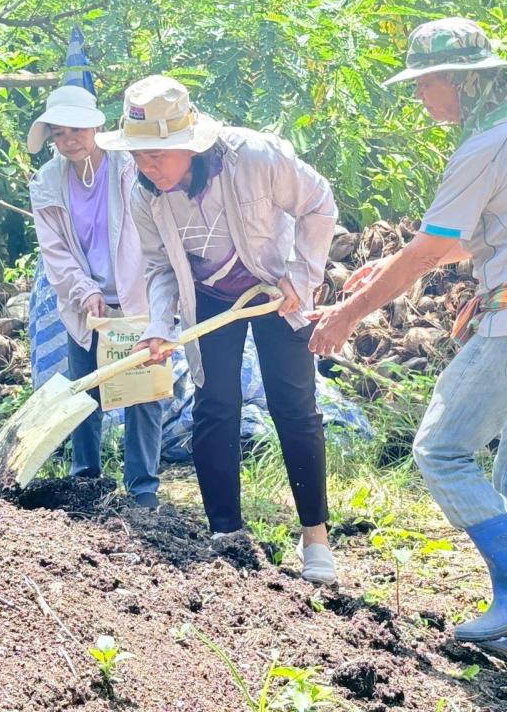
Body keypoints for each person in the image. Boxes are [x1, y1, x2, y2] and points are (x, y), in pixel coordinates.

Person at [309, 18, 507, 668]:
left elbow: (433, 248)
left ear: (459, 81)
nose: (421, 100)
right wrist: (390, 266)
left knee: (440, 450)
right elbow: (497, 231)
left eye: (425, 85)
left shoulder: (486, 146)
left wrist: (346, 315)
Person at [96, 74, 340, 584]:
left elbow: (319, 204)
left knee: (293, 404)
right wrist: (159, 326)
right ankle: (225, 534)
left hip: (275, 290)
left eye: (158, 154)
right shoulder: (144, 192)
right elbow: (161, 266)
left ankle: (315, 536)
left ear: (190, 145)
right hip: (205, 293)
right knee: (214, 405)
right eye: (139, 155)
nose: (147, 165)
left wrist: (301, 275)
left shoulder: (255, 157)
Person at [28, 85, 163, 509]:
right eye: (59, 133)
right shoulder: (47, 182)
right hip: (86, 305)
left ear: (98, 125)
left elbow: (154, 227)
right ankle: (86, 480)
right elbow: (56, 251)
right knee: (86, 390)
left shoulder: (129, 166)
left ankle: (143, 488)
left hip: (138, 295)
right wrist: (84, 291)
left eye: (78, 129)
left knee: (145, 389)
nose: (70, 139)